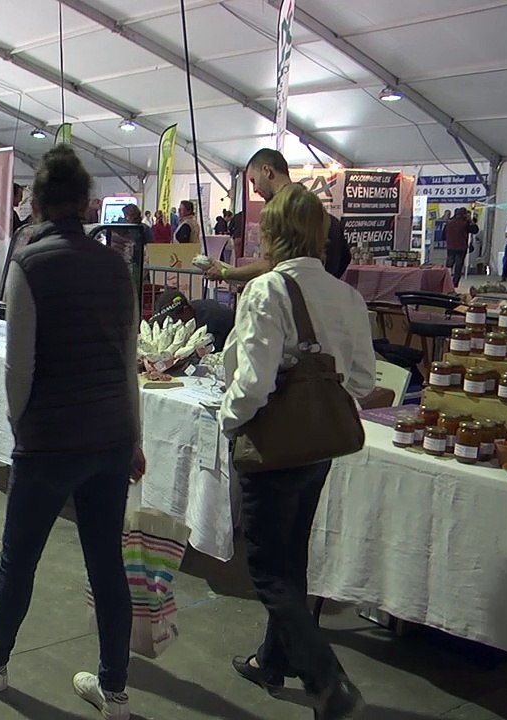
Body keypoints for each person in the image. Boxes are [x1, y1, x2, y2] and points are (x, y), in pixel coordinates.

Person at [0, 145, 144, 720]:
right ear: (86, 202)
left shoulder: (29, 264)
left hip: (51, 437)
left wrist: (20, 426)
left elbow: (19, 366)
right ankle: (115, 691)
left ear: (36, 204)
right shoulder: (116, 266)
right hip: (111, 434)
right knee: (106, 563)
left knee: (19, 557)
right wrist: (134, 438)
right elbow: (127, 359)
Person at [220, 183, 373, 720]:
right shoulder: (347, 296)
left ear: (273, 233)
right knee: (293, 559)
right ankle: (272, 660)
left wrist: (227, 421)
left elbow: (253, 384)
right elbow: (363, 380)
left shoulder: (267, 291)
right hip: (319, 446)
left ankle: (328, 682)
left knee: (268, 571)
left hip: (273, 446)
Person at [205, 149, 350, 283]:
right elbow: (345, 257)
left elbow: (269, 265)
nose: (254, 189)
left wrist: (226, 273)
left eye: (254, 181)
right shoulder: (321, 212)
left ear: (267, 171)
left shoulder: (278, 213)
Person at [153, 289, 235, 348]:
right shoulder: (189, 316)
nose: (173, 324)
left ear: (186, 310)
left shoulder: (213, 319)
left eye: (174, 319)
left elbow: (216, 349)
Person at [442, 208, 478, 288]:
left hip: (450, 247)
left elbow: (443, 236)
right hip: (461, 248)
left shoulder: (449, 223)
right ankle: (454, 283)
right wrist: (471, 221)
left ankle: (446, 282)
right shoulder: (465, 223)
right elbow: (475, 230)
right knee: (458, 267)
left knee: (449, 265)